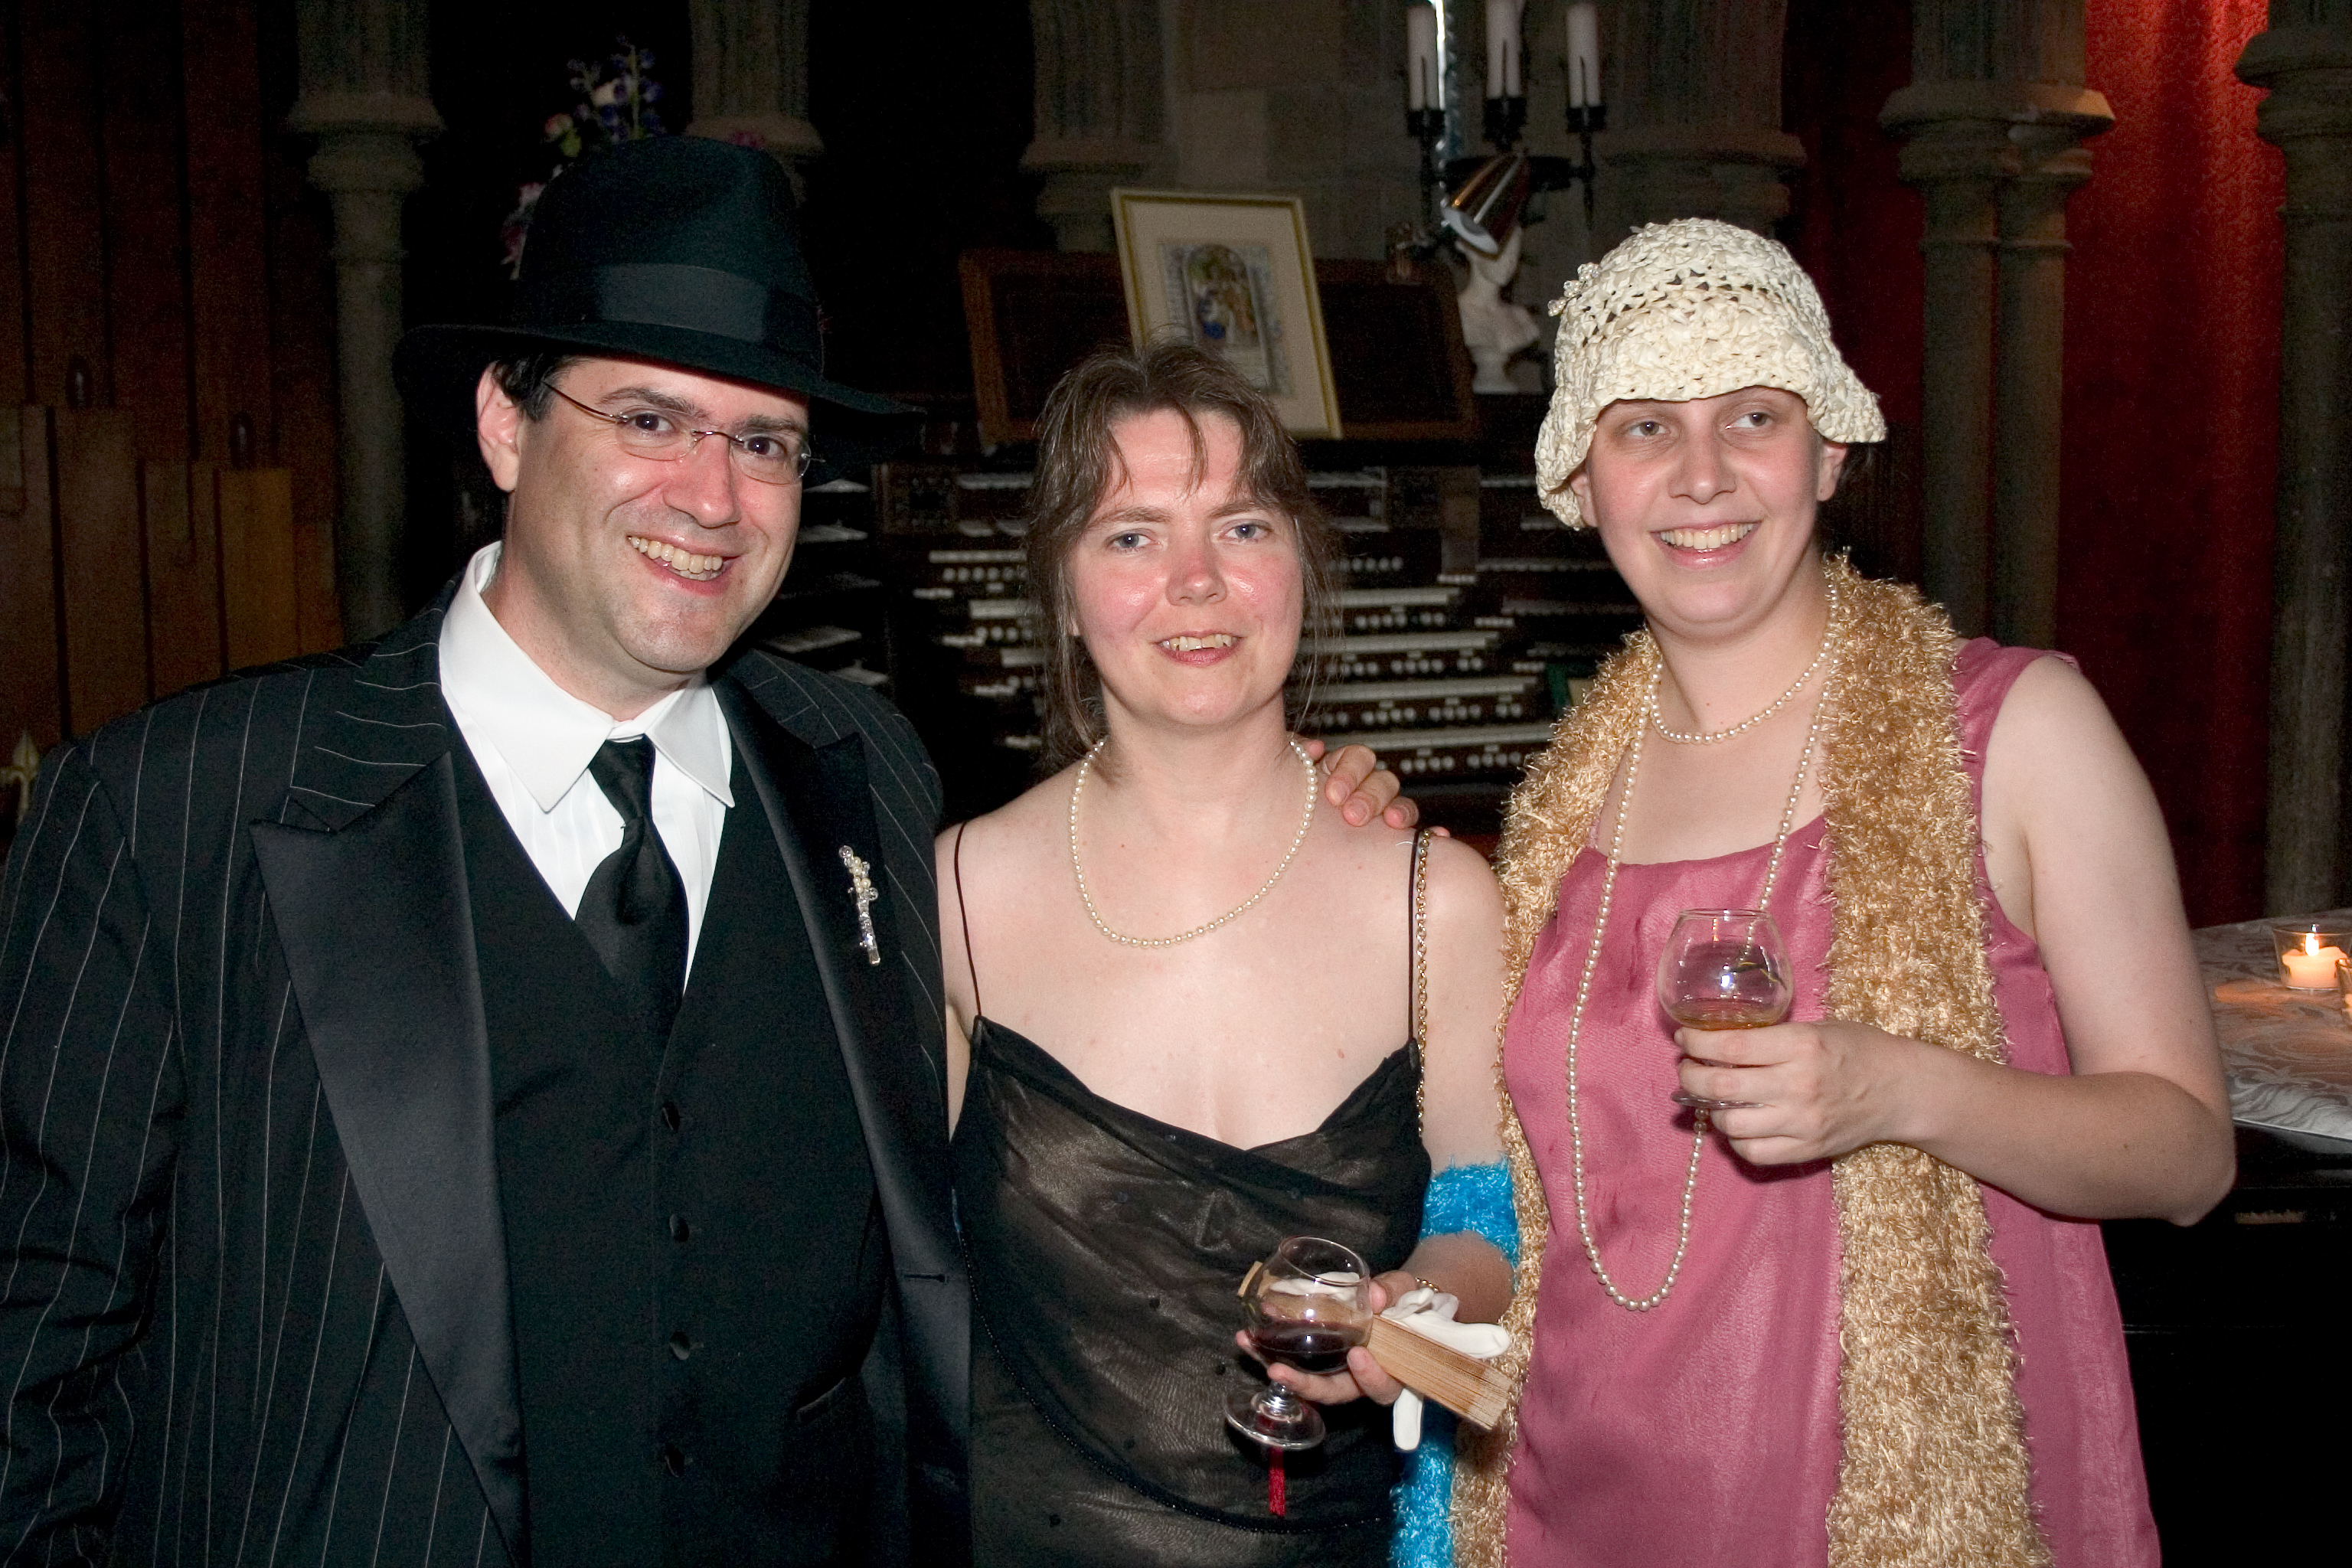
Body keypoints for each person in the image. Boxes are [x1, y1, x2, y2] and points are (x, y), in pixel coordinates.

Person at [0, 137, 1410, 1566]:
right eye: (650, 419)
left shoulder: (863, 773)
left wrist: (1300, 813)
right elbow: (31, 1358)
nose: (713, 498)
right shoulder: (178, 807)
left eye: (764, 443)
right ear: (505, 424)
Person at [1462, 220, 2233, 1568]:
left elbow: (2188, 1158)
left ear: (1827, 451)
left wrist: (1904, 1091)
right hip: (1569, 1504)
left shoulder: (2013, 731)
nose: (1703, 474)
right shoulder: (1559, 805)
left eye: (1752, 415)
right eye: (1645, 427)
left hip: (1882, 1518)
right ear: (1583, 482)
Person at [939, 342, 1517, 1568]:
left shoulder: (1439, 903)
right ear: (1063, 590)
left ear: (1301, 559)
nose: (1196, 581)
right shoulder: (956, 900)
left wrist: (1409, 1316)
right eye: (1132, 536)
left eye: (1242, 527)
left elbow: (1486, 1238)